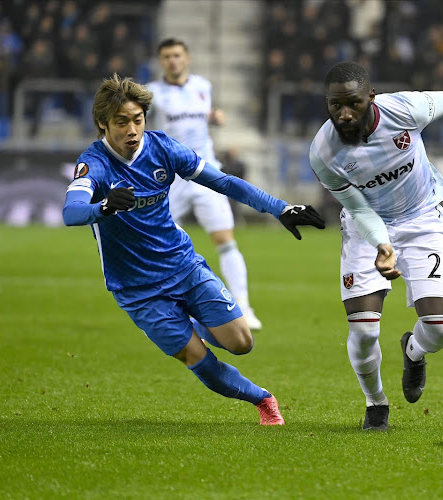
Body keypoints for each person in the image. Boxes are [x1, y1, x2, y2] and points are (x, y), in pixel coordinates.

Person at [62, 74, 325, 425]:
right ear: (102, 123)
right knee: (197, 357)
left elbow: (224, 182)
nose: (132, 130)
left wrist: (279, 208)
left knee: (241, 342)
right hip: (137, 289)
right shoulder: (94, 163)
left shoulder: (163, 149)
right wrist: (104, 207)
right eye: (121, 122)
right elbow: (71, 212)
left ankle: (195, 324)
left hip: (183, 267)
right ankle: (262, 400)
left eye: (137, 120)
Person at [309, 61, 443, 431]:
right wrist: (381, 244)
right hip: (367, 228)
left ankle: (414, 351)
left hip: (422, 219)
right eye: (335, 106)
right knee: (364, 331)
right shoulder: (323, 153)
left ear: (371, 97)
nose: (345, 114)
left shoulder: (403, 110)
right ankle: (376, 403)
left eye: (353, 104)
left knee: (441, 326)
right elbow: (357, 207)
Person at [146, 38, 264, 330]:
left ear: (187, 58)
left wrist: (213, 117)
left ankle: (244, 309)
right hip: (169, 178)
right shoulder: (151, 93)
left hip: (205, 173)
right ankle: (178, 307)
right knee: (165, 245)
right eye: (166, 57)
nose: (172, 61)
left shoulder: (203, 86)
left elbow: (196, 118)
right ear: (161, 62)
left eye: (177, 55)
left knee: (225, 240)